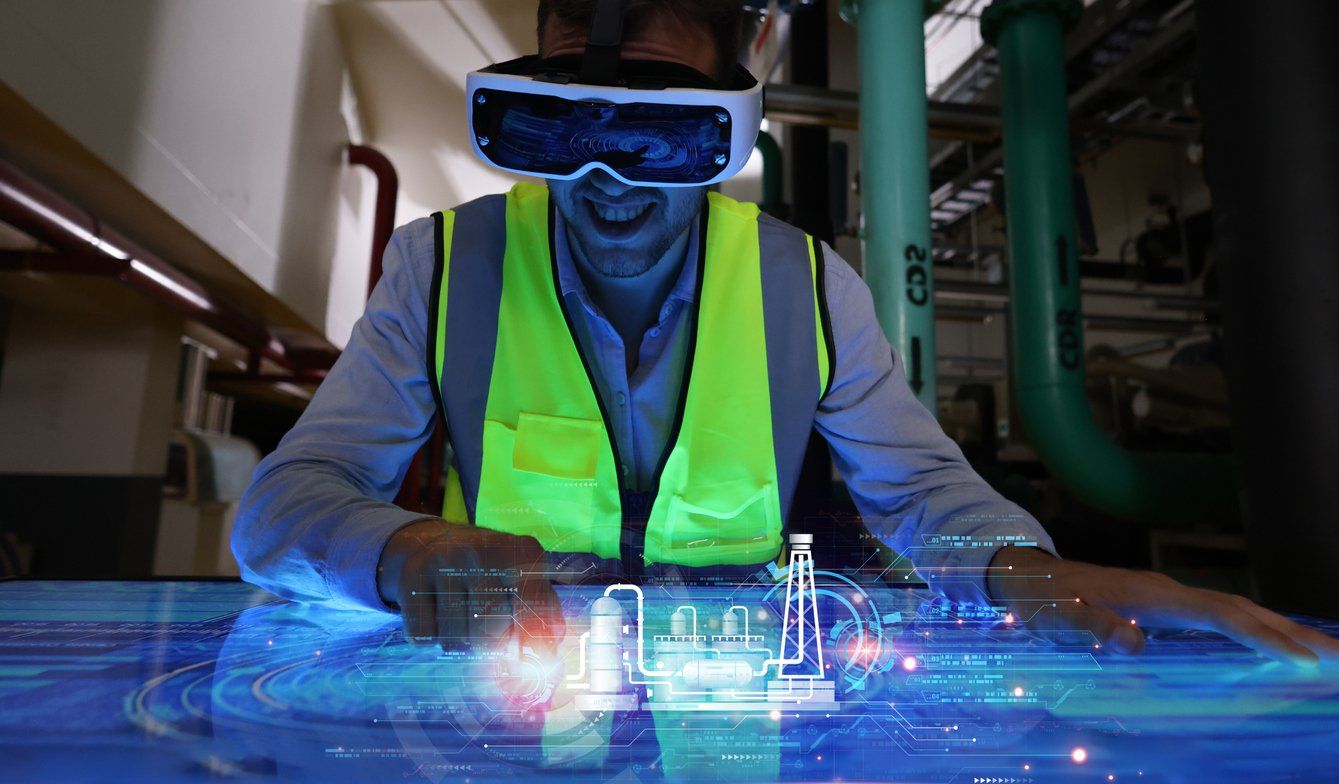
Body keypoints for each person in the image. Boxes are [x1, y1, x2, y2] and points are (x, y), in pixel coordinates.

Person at [233, 0, 1338, 666]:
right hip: (521, 704)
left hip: (734, 722)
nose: (607, 180)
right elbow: (281, 509)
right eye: (566, 129)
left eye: (659, 134)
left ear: (730, 111)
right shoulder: (442, 266)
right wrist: (403, 550)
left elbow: (924, 497)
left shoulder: (807, 288)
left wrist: (1021, 572)